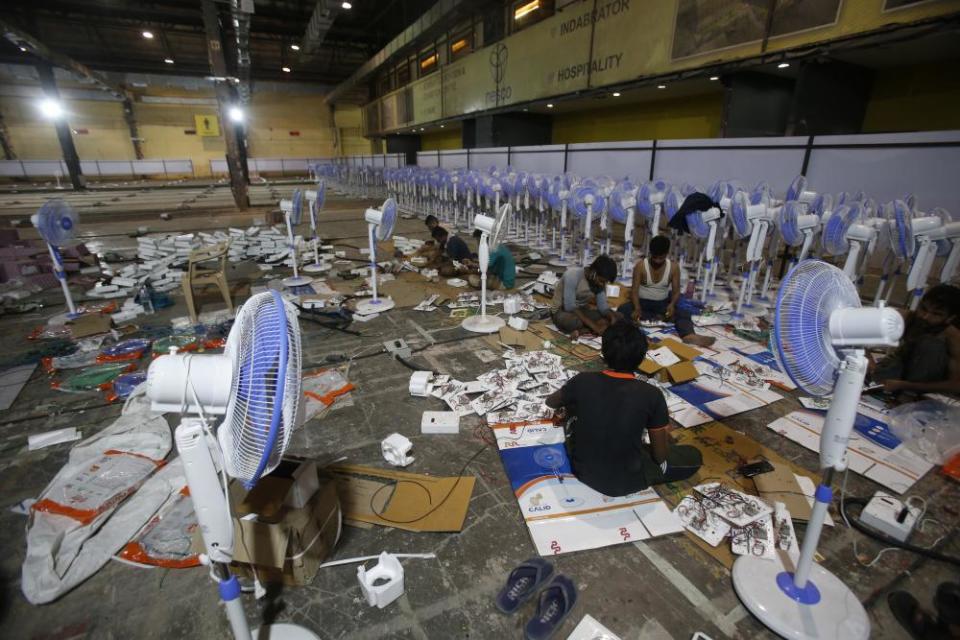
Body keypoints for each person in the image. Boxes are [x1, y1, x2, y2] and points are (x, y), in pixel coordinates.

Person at [545, 321, 702, 497]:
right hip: (624, 482)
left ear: (603, 352)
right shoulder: (651, 394)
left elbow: (551, 402)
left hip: (583, 470)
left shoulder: (582, 380)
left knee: (573, 404)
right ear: (642, 358)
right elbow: (660, 457)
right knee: (693, 456)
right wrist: (661, 435)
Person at [618, 235, 715, 347]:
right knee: (623, 310)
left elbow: (676, 291)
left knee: (683, 313)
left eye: (661, 258)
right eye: (655, 257)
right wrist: (637, 307)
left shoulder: (673, 268)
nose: (657, 261)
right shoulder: (640, 266)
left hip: (661, 305)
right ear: (650, 253)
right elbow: (634, 290)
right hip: (642, 304)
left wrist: (672, 305)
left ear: (666, 254)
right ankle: (633, 334)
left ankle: (689, 335)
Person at [871, 283, 960, 397]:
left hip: (924, 387)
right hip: (894, 375)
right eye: (923, 309)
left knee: (931, 345)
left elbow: (955, 385)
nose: (925, 317)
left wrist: (906, 386)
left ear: (950, 318)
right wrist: (869, 362)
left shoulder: (953, 337)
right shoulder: (906, 318)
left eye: (936, 314)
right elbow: (858, 331)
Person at [551, 255, 621, 337]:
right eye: (601, 281)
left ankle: (583, 331)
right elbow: (569, 307)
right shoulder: (572, 275)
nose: (602, 284)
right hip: (562, 311)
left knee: (618, 316)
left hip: (581, 310)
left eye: (605, 282)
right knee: (572, 323)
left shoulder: (599, 282)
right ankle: (593, 328)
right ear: (593, 272)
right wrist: (594, 326)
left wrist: (611, 317)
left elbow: (603, 307)